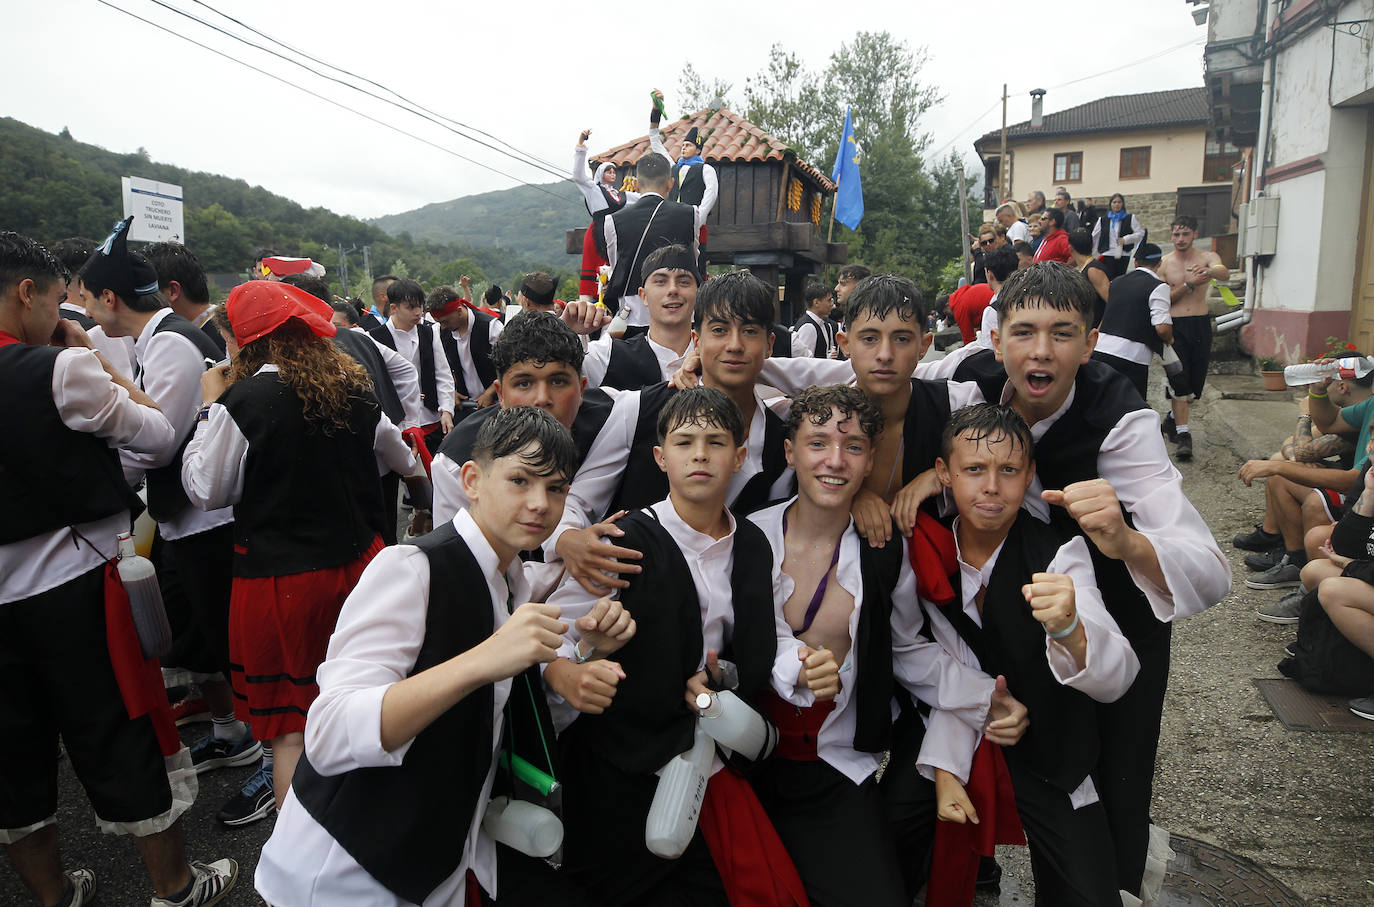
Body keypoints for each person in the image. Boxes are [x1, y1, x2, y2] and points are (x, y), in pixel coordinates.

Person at [951, 262, 1230, 897]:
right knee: (977, 729)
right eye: (1023, 332)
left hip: (1114, 613)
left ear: (1092, 341)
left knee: (1115, 769)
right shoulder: (971, 378)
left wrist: (1127, 539)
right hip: (1008, 608)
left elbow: (1211, 571)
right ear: (996, 338)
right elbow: (870, 379)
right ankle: (974, 862)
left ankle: (1104, 883)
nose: (1041, 351)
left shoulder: (1122, 420)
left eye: (1063, 332)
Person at [256, 407, 607, 906]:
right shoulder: (412, 568)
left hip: (443, 862)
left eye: (555, 488)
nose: (538, 503)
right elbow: (330, 730)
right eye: (519, 480)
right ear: (472, 480)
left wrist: (590, 652)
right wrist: (482, 659)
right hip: (346, 876)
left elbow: (493, 716)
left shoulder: (514, 583)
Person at [0, 231, 237, 907]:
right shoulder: (61, 369)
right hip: (75, 586)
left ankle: (53, 895)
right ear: (27, 294)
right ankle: (174, 887)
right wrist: (99, 364)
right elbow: (160, 434)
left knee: (13, 756)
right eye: (55, 299)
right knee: (122, 731)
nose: (62, 313)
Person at [746, 387, 1016, 907]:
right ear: (789, 452)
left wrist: (986, 697)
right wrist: (790, 662)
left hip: (832, 766)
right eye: (817, 442)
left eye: (852, 446)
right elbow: (722, 635)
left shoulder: (884, 551)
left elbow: (908, 650)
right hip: (741, 761)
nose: (834, 459)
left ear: (870, 460)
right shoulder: (748, 537)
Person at [544, 387, 807, 906]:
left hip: (709, 752)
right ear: (661, 457)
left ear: (740, 455)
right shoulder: (625, 540)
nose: (701, 454)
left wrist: (745, 673)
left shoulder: (754, 545)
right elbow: (556, 639)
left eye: (716, 442)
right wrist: (581, 655)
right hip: (622, 758)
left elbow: (760, 636)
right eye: (685, 442)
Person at [182, 281, 415, 815]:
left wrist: (207, 409)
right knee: (361, 703)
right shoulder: (352, 390)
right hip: (360, 565)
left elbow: (206, 491)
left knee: (293, 731)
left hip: (280, 581)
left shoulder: (240, 402)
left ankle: (300, 862)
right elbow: (403, 459)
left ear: (245, 340)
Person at [75, 220, 259, 824]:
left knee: (228, 637)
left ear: (109, 298)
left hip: (209, 515)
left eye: (81, 295)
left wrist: (98, 483)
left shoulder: (173, 343)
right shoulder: (156, 341)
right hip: (185, 518)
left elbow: (159, 441)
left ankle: (261, 751)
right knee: (195, 634)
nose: (78, 308)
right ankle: (233, 730)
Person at [921, 403, 1139, 905]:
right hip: (956, 728)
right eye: (974, 469)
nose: (992, 487)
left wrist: (1070, 628)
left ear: (1031, 476)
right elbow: (928, 658)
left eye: (1009, 470)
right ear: (944, 474)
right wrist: (950, 766)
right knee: (895, 842)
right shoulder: (927, 549)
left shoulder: (1061, 555)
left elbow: (1118, 677)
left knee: (1088, 894)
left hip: (1052, 748)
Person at [551, 270, 795, 593]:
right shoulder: (640, 410)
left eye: (749, 331)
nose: (734, 346)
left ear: (769, 344)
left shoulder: (782, 442)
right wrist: (567, 539)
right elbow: (578, 502)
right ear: (697, 340)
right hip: (626, 596)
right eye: (719, 330)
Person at [432, 311, 617, 523]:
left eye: (558, 381)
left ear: (582, 389)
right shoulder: (456, 462)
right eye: (524, 383)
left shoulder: (613, 418)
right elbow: (456, 551)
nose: (542, 399)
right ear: (500, 394)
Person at [1239, 364, 1374, 594]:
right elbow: (1328, 423)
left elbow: (1351, 479)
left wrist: (1304, 415)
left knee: (1311, 497)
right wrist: (1318, 391)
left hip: (1359, 496)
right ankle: (1294, 561)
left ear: (1342, 385)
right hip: (1359, 495)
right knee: (1280, 476)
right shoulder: (1370, 405)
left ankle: (1309, 587)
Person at [562, 244, 699, 390]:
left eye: (684, 282)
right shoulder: (608, 357)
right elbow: (555, 372)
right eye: (660, 282)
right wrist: (564, 334)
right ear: (643, 296)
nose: (673, 289)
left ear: (698, 293)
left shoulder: (714, 356)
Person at [605, 152, 704, 337]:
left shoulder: (613, 221)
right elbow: (693, 261)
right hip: (679, 314)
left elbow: (615, 267)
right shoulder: (691, 214)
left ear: (635, 184)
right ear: (671, 183)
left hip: (632, 318)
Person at [1159, 215, 1229, 456]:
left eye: (1185, 234)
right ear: (1171, 235)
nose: (1180, 239)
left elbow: (1224, 273)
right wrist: (1189, 284)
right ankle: (1183, 435)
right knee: (1179, 380)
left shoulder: (1206, 257)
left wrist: (1208, 271)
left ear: (1194, 234)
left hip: (1200, 324)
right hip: (1175, 325)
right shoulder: (1166, 263)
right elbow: (1163, 299)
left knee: (1194, 385)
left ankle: (1171, 418)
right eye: (1176, 234)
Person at [370, 277, 456, 452]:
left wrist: (447, 410)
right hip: (396, 422)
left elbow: (442, 374)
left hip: (430, 418)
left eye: (420, 306)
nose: (418, 312)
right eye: (411, 307)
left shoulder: (430, 332)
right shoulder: (373, 337)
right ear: (393, 308)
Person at [1091, 243, 1175, 403]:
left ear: (1135, 262)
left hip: (1102, 350)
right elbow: (1162, 328)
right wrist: (1169, 339)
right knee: (1129, 408)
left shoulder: (1117, 282)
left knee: (1101, 401)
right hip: (1131, 358)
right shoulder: (1159, 287)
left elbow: (1107, 315)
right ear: (1159, 264)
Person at [573, 128, 640, 301]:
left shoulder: (620, 195)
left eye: (613, 172)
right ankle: (586, 306)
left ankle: (615, 301)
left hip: (616, 235)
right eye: (608, 171)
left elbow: (643, 199)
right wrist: (581, 145)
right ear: (601, 174)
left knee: (615, 271)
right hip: (597, 234)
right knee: (592, 275)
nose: (612, 174)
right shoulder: (593, 189)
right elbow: (578, 176)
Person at [426, 281, 503, 411]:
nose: (443, 326)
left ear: (459, 311)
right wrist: (451, 393)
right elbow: (439, 371)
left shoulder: (491, 327)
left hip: (496, 404)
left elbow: (511, 367)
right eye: (439, 322)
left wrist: (489, 393)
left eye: (445, 321)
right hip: (464, 407)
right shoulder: (439, 332)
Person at [142, 241, 226, 356]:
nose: (136, 303)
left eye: (146, 292)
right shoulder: (217, 328)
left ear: (173, 291)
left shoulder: (226, 337)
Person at [1091, 194, 1146, 280]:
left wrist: (1126, 239)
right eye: (1114, 202)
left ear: (1122, 204)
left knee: (1120, 278)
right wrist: (1090, 252)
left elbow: (1140, 233)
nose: (1117, 204)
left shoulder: (1130, 218)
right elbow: (1095, 236)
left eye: (1119, 202)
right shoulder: (1103, 220)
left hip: (1124, 253)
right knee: (1109, 278)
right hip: (1107, 253)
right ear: (1111, 204)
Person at [1068, 228, 1111, 327]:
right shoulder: (1082, 269)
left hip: (1096, 330)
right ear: (1092, 245)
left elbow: (1112, 301)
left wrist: (1100, 328)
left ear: (1070, 248)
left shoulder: (1093, 271)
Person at [792, 280, 840, 359]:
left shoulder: (826, 325)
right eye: (829, 300)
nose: (832, 304)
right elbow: (804, 361)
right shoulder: (808, 327)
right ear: (816, 302)